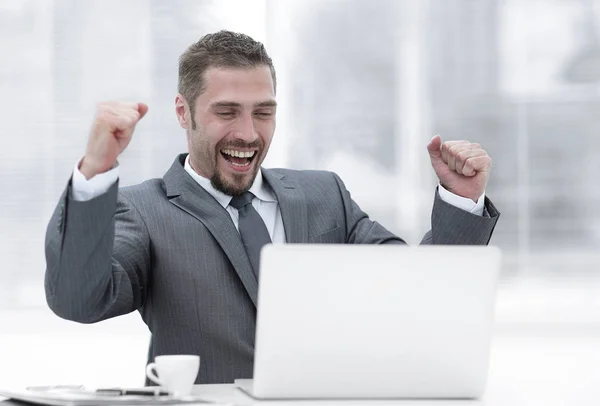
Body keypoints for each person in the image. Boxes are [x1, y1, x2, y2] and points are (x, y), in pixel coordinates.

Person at [44, 30, 500, 384]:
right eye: (227, 112)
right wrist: (96, 171)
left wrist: (460, 200)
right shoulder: (143, 210)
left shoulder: (327, 197)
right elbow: (79, 300)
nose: (248, 133)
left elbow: (418, 293)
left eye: (263, 112)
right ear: (184, 113)